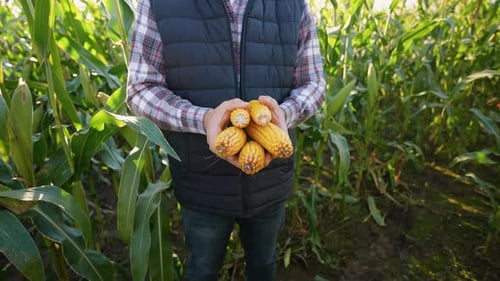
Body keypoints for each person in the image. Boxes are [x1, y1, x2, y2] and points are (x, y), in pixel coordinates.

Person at [126, 0, 325, 280]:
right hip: (202, 180)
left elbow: (313, 83)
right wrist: (204, 119)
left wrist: (283, 114)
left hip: (270, 179)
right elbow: (140, 89)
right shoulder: (159, 4)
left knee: (264, 263)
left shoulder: (293, 5)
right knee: (202, 268)